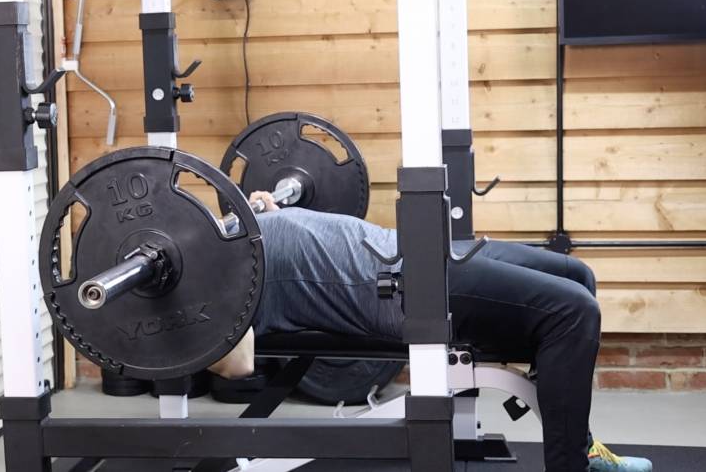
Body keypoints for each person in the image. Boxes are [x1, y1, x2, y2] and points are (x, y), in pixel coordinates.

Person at [209, 192, 652, 472]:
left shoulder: (231, 232)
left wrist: (264, 212)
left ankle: (580, 443)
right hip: (406, 288)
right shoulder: (217, 283)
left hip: (419, 249)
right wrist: (225, 292)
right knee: (574, 312)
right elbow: (237, 364)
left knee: (576, 275)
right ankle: (571, 464)